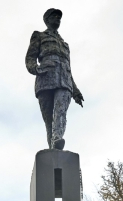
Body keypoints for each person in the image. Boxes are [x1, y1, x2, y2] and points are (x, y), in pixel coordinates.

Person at [25, 8, 84, 150]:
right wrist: (36, 69)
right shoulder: (38, 36)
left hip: (64, 82)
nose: (58, 19)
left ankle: (57, 138)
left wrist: (75, 91)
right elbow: (30, 58)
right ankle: (53, 148)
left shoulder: (65, 45)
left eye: (59, 17)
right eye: (54, 16)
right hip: (45, 80)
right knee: (48, 120)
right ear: (47, 20)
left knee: (60, 110)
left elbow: (69, 68)